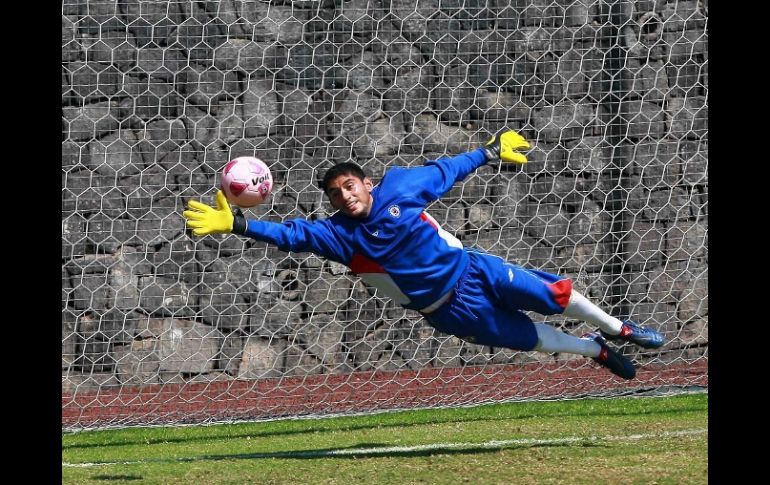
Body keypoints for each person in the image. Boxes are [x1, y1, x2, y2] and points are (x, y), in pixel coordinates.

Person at [183, 130, 664, 380]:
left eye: (349, 186)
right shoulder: (338, 236)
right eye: (335, 194)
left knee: (554, 294)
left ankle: (621, 329)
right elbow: (289, 235)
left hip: (474, 270)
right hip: (448, 310)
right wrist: (237, 223)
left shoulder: (400, 187)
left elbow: (446, 169)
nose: (345, 197)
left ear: (367, 183)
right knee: (535, 341)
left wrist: (490, 151)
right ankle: (596, 350)